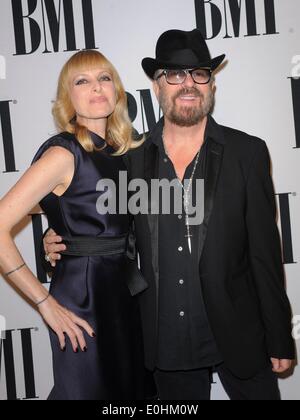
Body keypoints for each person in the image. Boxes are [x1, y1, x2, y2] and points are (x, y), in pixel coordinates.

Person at [44, 30, 295, 400]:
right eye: (174, 75)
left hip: (240, 334)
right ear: (157, 86)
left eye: (199, 74)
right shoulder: (130, 158)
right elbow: (106, 232)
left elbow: (265, 256)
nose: (188, 85)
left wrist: (279, 337)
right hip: (165, 343)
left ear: (211, 84)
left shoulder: (248, 153)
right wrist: (56, 240)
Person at [0, 49, 153, 400]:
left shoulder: (120, 151)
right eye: (82, 81)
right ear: (68, 98)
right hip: (83, 299)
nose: (96, 87)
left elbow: (72, 203)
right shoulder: (62, 153)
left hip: (125, 293)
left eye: (105, 78)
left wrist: (56, 232)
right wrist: (43, 303)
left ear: (117, 90)